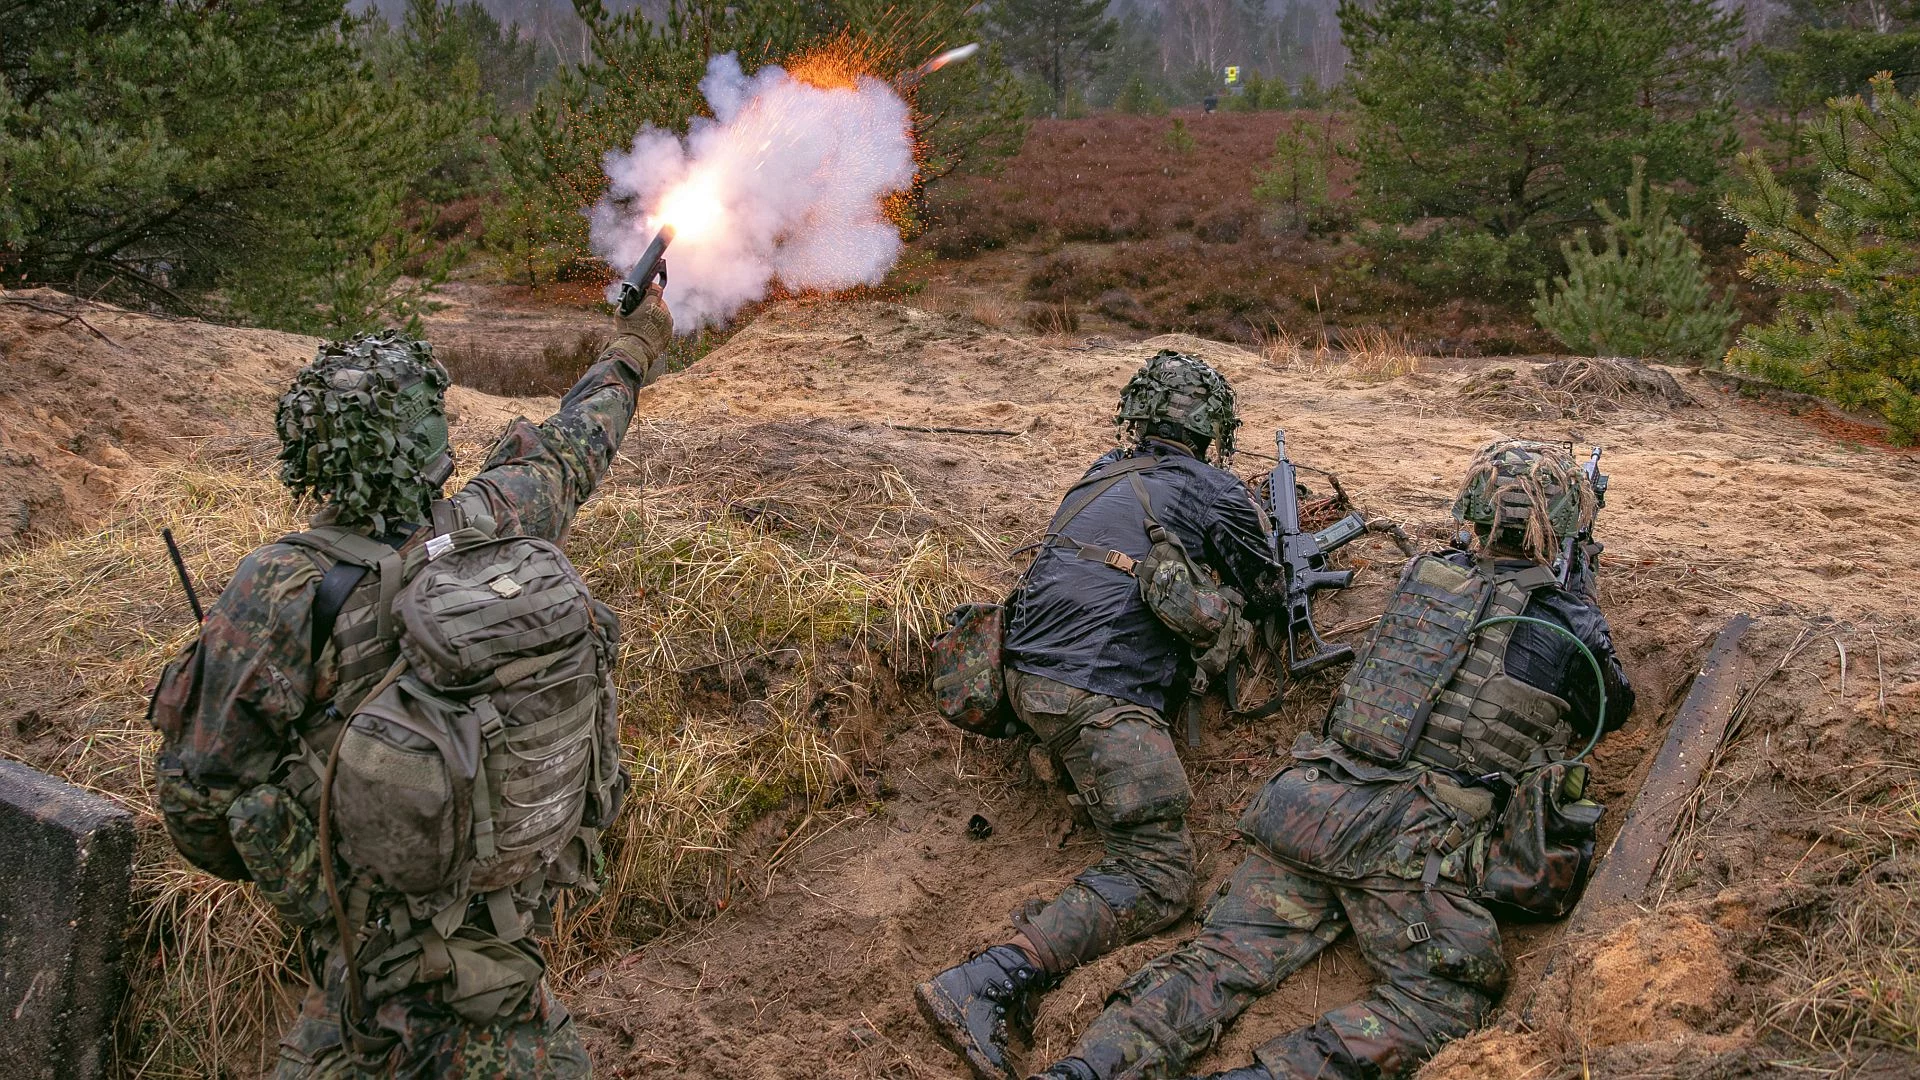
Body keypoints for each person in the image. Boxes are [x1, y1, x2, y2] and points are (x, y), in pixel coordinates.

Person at [148, 285, 673, 1077]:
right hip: (507, 948)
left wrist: (320, 878)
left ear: (308, 447)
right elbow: (576, 442)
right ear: (429, 435)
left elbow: (197, 809)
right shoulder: (500, 516)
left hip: (369, 988)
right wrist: (634, 346)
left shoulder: (280, 589)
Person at [1030, 439, 1636, 1080]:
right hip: (1406, 842)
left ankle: (1084, 1070)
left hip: (1307, 805)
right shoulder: (1573, 623)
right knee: (1447, 997)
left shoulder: (1421, 578)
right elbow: (1611, 706)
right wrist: (1575, 596)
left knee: (1218, 959)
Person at [917, 350, 1279, 1080]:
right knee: (1161, 875)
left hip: (1017, 680)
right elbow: (1265, 586)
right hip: (1097, 699)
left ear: (1138, 415)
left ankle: (1068, 770)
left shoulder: (1097, 472)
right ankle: (984, 982)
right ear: (1213, 431)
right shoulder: (1212, 489)